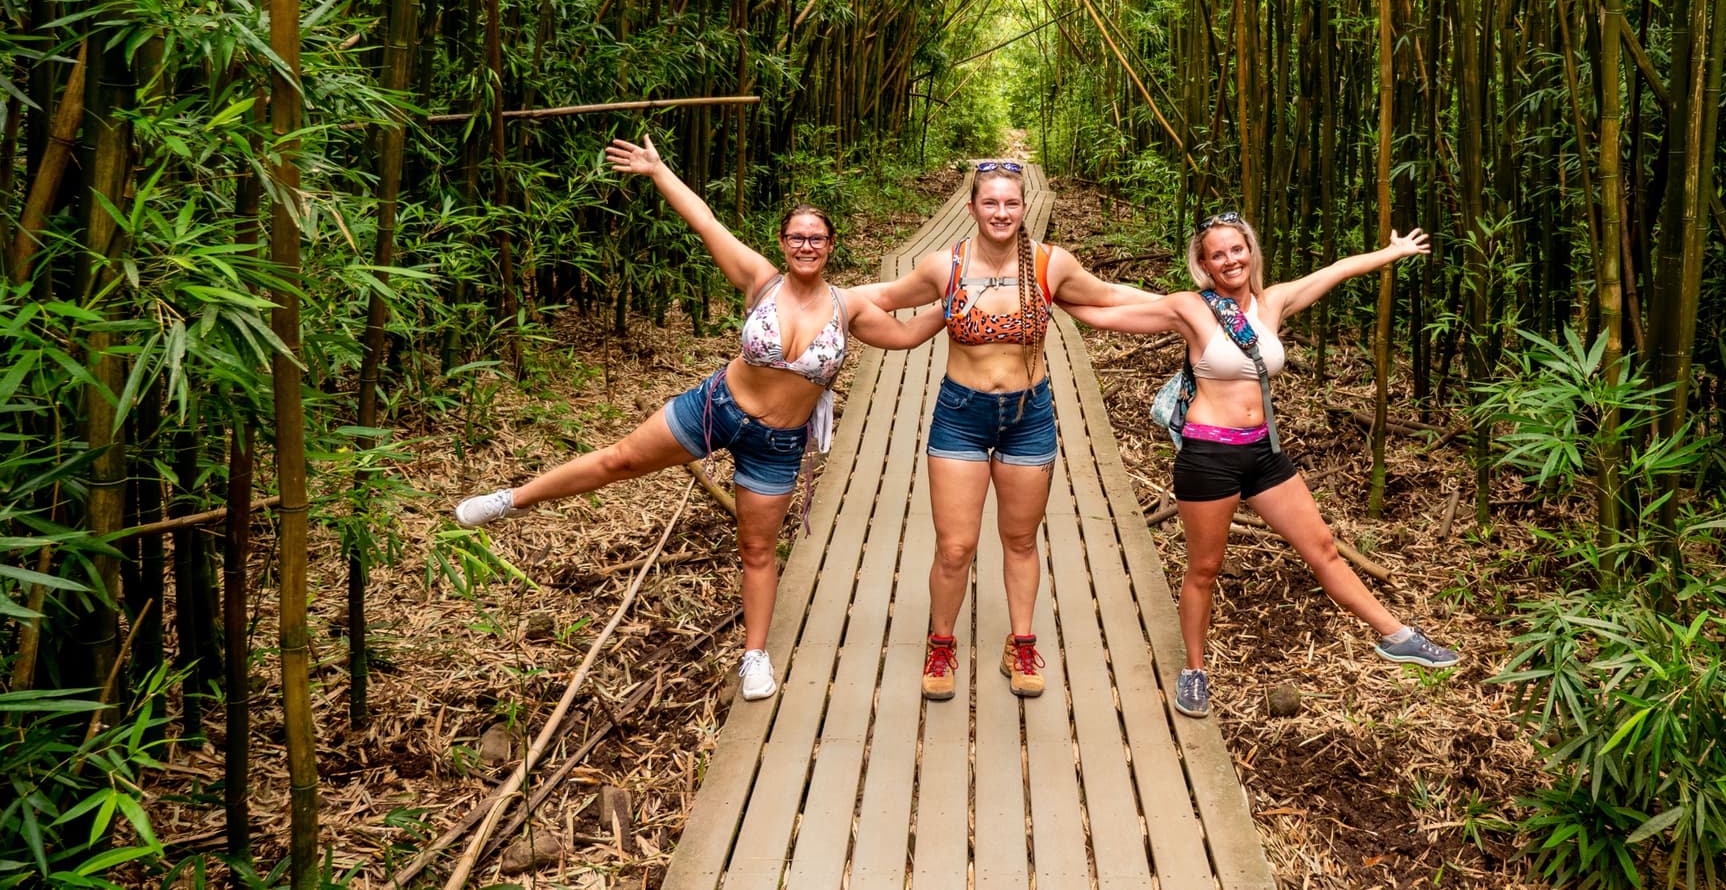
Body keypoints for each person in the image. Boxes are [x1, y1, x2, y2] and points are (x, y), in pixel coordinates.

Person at [454, 135, 946, 703]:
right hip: (716, 408)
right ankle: (511, 499)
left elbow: (907, 335)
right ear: (783, 242)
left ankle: (754, 656)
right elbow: (705, 220)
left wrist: (956, 298)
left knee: (757, 551)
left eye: (816, 237)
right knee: (618, 460)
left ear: (830, 245)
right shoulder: (760, 279)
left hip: (776, 445)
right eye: (796, 237)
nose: (805, 245)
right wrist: (657, 170)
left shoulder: (850, 306)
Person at [1063, 212, 1459, 718]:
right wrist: (1045, 288)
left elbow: (1335, 271)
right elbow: (1106, 307)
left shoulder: (1271, 303)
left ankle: (1398, 636)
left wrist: (1392, 252)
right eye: (1218, 254)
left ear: (1251, 251)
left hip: (1264, 452)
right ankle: (1195, 671)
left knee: (1322, 548)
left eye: (1237, 249)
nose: (1230, 260)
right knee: (1204, 569)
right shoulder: (1191, 308)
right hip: (1209, 457)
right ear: (1203, 264)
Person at [857, 161, 1156, 701]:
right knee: (955, 547)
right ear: (971, 207)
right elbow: (881, 299)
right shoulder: (942, 266)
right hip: (960, 414)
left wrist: (1194, 306)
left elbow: (1107, 296)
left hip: (1028, 415)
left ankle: (1021, 644)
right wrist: (821, 300)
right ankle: (941, 643)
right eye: (990, 202)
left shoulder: (1049, 263)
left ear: (1024, 208)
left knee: (1019, 540)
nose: (1001, 212)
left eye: (1011, 203)